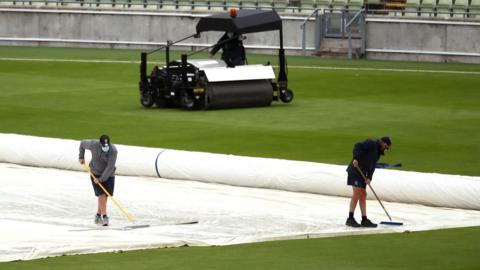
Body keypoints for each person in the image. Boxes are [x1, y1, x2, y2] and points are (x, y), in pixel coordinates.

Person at [345, 136, 392, 228]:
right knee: (357, 193)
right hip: (355, 170)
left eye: (387, 147)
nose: (386, 148)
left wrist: (369, 177)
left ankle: (364, 219)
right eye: (386, 146)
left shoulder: (378, 153)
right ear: (382, 142)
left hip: (363, 174)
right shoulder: (371, 143)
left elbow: (372, 166)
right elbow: (357, 146)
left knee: (363, 194)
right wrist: (356, 158)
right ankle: (350, 218)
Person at [79, 134, 118, 226]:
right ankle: (105, 217)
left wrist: (101, 179)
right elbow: (82, 143)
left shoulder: (113, 151)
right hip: (95, 173)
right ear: (100, 143)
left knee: (106, 195)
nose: (106, 147)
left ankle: (98, 215)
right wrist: (81, 157)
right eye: (104, 146)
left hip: (108, 175)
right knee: (101, 194)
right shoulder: (93, 144)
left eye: (107, 145)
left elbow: (110, 167)